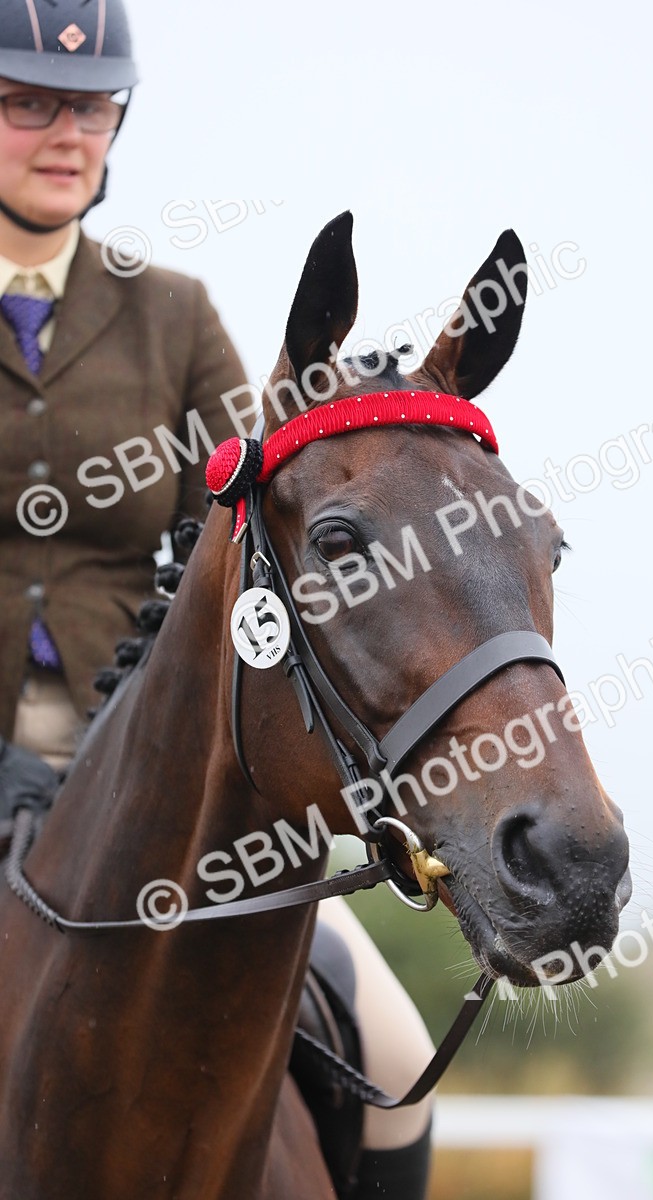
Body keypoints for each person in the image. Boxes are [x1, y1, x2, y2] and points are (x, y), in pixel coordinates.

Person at [0, 2, 433, 1196]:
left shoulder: (171, 312)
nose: (65, 131)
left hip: (141, 776)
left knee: (387, 1042)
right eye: (29, 102)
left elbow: (257, 516)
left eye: (88, 106)